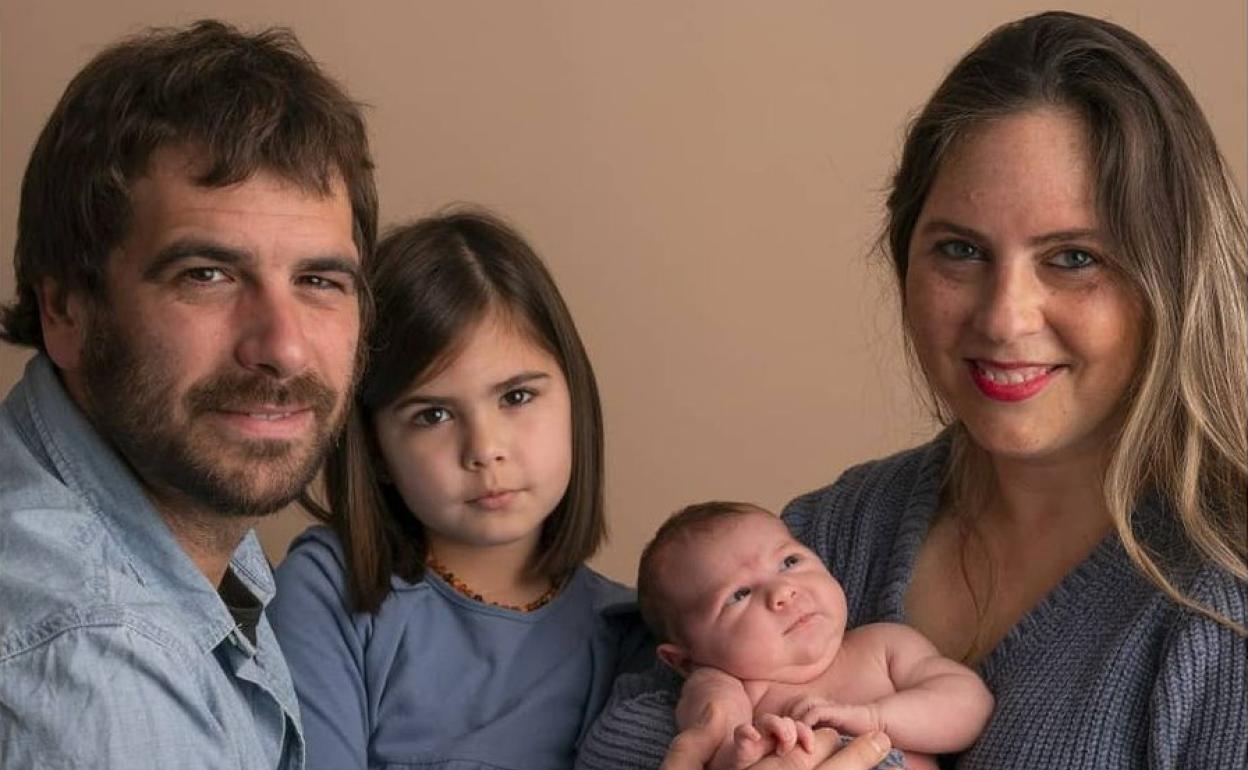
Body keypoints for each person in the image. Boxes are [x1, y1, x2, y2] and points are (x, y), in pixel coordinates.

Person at [577, 11, 1247, 769]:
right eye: (960, 250)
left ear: (1175, 280)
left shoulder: (1220, 611)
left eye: (1072, 258)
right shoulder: (832, 533)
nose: (1003, 317)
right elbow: (618, 730)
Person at [0, 20, 376, 768]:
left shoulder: (178, 529)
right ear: (65, 310)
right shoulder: (100, 668)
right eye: (207, 275)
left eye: (319, 281)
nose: (283, 346)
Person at [268, 210, 649, 769]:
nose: (484, 449)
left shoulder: (633, 633)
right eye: (434, 414)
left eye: (517, 397)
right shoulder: (333, 591)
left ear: (575, 398)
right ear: (375, 449)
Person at [638, 502, 992, 770]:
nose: (783, 591)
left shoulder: (883, 646)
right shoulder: (734, 691)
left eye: (790, 562)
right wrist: (739, 752)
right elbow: (706, 740)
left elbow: (970, 707)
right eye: (739, 595)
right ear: (685, 660)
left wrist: (875, 718)